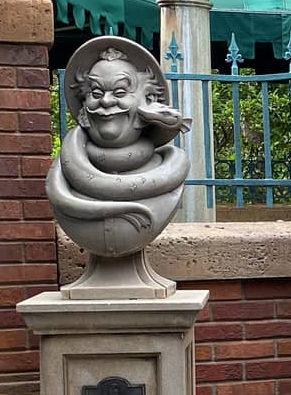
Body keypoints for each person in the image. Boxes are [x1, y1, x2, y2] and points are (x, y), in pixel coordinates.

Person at [47, 39, 190, 260]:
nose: (105, 101)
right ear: (83, 102)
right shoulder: (65, 171)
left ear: (148, 100)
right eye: (95, 93)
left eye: (120, 93)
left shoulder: (172, 167)